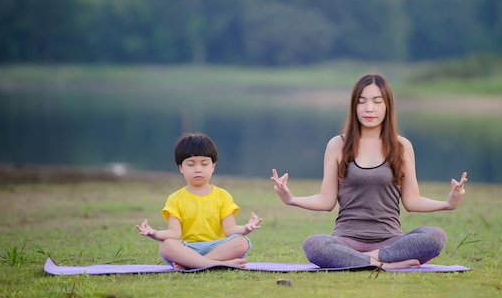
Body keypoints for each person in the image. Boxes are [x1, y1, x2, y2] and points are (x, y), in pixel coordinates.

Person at [271, 73, 468, 270]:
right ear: (354, 106)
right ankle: (386, 265)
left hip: (390, 241)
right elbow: (326, 200)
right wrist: (292, 199)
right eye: (362, 101)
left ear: (387, 106)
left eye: (377, 101)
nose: (369, 108)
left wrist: (448, 203)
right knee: (314, 245)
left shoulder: (402, 146)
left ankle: (365, 260)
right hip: (346, 240)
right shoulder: (337, 145)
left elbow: (412, 200)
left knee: (435, 237)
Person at [137, 132, 263, 269]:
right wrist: (153, 233)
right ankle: (218, 264)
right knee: (166, 246)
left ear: (213, 166)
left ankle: (193, 264)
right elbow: (175, 233)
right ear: (181, 167)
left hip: (217, 248)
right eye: (191, 164)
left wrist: (246, 228)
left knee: (242, 242)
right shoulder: (175, 199)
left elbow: (230, 229)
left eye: (204, 164)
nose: (198, 170)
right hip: (186, 249)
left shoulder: (223, 196)